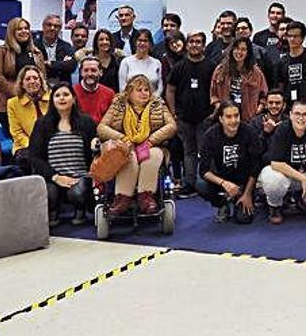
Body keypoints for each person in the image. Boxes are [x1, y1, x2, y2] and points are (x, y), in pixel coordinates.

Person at [97, 75, 177, 216]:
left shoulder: (158, 104)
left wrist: (151, 140)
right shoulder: (118, 104)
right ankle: (122, 199)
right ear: (129, 93)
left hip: (151, 146)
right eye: (139, 90)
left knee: (152, 156)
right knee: (129, 157)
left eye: (146, 89)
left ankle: (146, 198)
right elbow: (102, 128)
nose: (144, 93)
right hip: (124, 146)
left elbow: (172, 126)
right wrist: (121, 138)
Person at [29, 83, 98, 227]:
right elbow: (34, 157)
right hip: (53, 177)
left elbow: (96, 150)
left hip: (80, 177)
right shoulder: (42, 124)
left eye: (66, 95)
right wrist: (55, 177)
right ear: (52, 100)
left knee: (77, 193)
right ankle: (53, 211)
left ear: (73, 98)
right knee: (49, 193)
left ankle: (80, 209)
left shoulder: (87, 122)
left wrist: (96, 145)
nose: (62, 98)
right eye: (57, 95)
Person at [196, 101, 263, 224]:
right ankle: (222, 204)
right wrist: (224, 183)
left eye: (236, 115)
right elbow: (203, 170)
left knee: (244, 219)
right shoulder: (210, 135)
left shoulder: (250, 132)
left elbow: (256, 166)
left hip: (245, 182)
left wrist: (247, 194)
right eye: (228, 116)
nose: (233, 120)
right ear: (221, 119)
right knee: (200, 185)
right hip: (221, 181)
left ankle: (242, 198)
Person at [166, 32, 215, 197]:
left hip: (205, 118)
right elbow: (170, 90)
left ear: (203, 45)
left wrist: (214, 114)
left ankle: (207, 184)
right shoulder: (179, 66)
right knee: (189, 152)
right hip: (184, 118)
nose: (195, 45)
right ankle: (189, 184)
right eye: (192, 42)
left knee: (205, 151)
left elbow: (217, 91)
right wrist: (173, 113)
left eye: (198, 42)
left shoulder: (211, 66)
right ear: (187, 45)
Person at [0, 17, 46, 133]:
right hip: (7, 103)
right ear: (12, 32)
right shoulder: (2, 51)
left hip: (33, 103)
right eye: (19, 29)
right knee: (16, 138)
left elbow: (42, 77)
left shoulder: (37, 53)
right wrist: (18, 92)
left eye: (26, 28)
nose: (24, 31)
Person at [210, 37, 268, 122]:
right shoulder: (221, 70)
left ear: (248, 52)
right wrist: (220, 109)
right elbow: (213, 94)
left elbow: (264, 95)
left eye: (243, 49)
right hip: (226, 118)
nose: (239, 52)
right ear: (232, 50)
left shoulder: (256, 72)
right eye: (237, 48)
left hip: (249, 119)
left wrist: (257, 111)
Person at [7, 65, 51, 170]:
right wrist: (35, 146)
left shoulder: (53, 98)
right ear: (22, 84)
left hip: (51, 144)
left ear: (41, 81)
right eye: (28, 79)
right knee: (27, 159)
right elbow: (17, 133)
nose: (32, 81)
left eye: (35, 78)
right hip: (25, 146)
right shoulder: (12, 103)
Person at [276, 21, 306, 104]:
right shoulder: (282, 61)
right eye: (289, 36)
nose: (292, 39)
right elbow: (280, 86)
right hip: (289, 107)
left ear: (303, 38)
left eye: (295, 36)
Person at [247, 89, 288, 167]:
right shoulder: (255, 123)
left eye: (278, 103)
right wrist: (265, 133)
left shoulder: (289, 122)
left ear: (284, 105)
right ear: (266, 104)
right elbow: (254, 152)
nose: (274, 106)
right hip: (263, 166)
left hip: (285, 165)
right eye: (270, 103)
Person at [118, 29, 163, 96]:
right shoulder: (126, 62)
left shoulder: (157, 63)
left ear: (150, 43)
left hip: (152, 103)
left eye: (145, 40)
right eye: (140, 40)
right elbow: (122, 87)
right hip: (130, 103)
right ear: (135, 42)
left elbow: (160, 86)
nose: (142, 43)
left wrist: (152, 100)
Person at [34, 14, 75, 87]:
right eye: (49, 25)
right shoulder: (33, 45)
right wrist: (61, 64)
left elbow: (71, 66)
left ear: (60, 29)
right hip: (39, 87)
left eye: (56, 26)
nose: (52, 28)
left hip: (62, 88)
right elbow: (32, 66)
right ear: (43, 26)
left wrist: (50, 64)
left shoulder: (66, 46)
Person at [73, 56, 115, 123]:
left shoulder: (110, 93)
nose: (89, 74)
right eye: (86, 70)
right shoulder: (72, 92)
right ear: (81, 73)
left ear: (100, 72)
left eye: (93, 70)